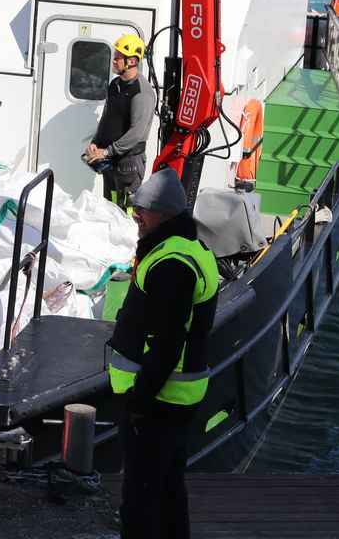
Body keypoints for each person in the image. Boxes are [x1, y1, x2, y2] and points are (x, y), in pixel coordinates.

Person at [109, 168, 219, 539]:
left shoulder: (172, 264)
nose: (136, 216)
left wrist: (140, 399)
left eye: (143, 210)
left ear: (166, 214)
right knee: (169, 489)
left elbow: (169, 340)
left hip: (160, 398)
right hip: (174, 396)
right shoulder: (186, 249)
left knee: (140, 498)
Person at [85, 33, 156, 210]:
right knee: (110, 209)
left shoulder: (142, 92)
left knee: (126, 213)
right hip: (111, 161)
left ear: (131, 61)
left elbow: (136, 133)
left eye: (118, 58)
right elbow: (107, 117)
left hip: (129, 163)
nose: (114, 61)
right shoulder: (115, 84)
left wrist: (106, 151)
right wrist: (96, 142)